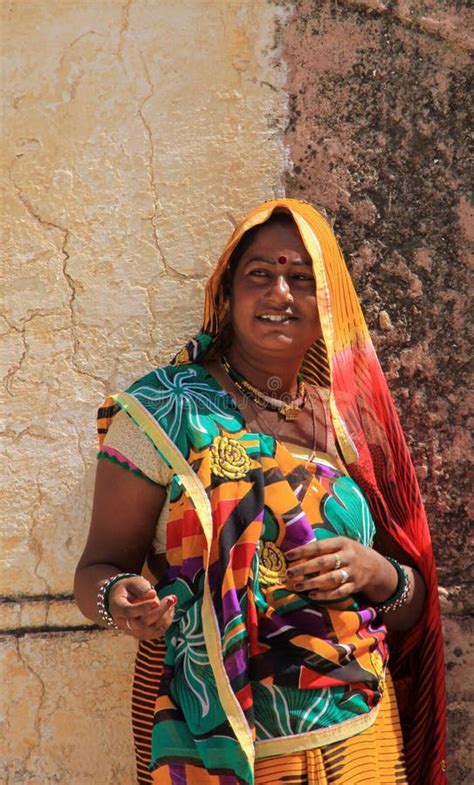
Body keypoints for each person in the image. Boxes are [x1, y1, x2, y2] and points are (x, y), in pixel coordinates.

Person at [74, 199, 446, 785]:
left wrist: (375, 572)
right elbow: (98, 566)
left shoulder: (356, 427)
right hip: (213, 738)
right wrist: (119, 599)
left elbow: (415, 602)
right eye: (260, 274)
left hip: (362, 736)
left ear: (327, 302)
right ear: (227, 294)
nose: (280, 292)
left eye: (301, 277)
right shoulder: (165, 412)